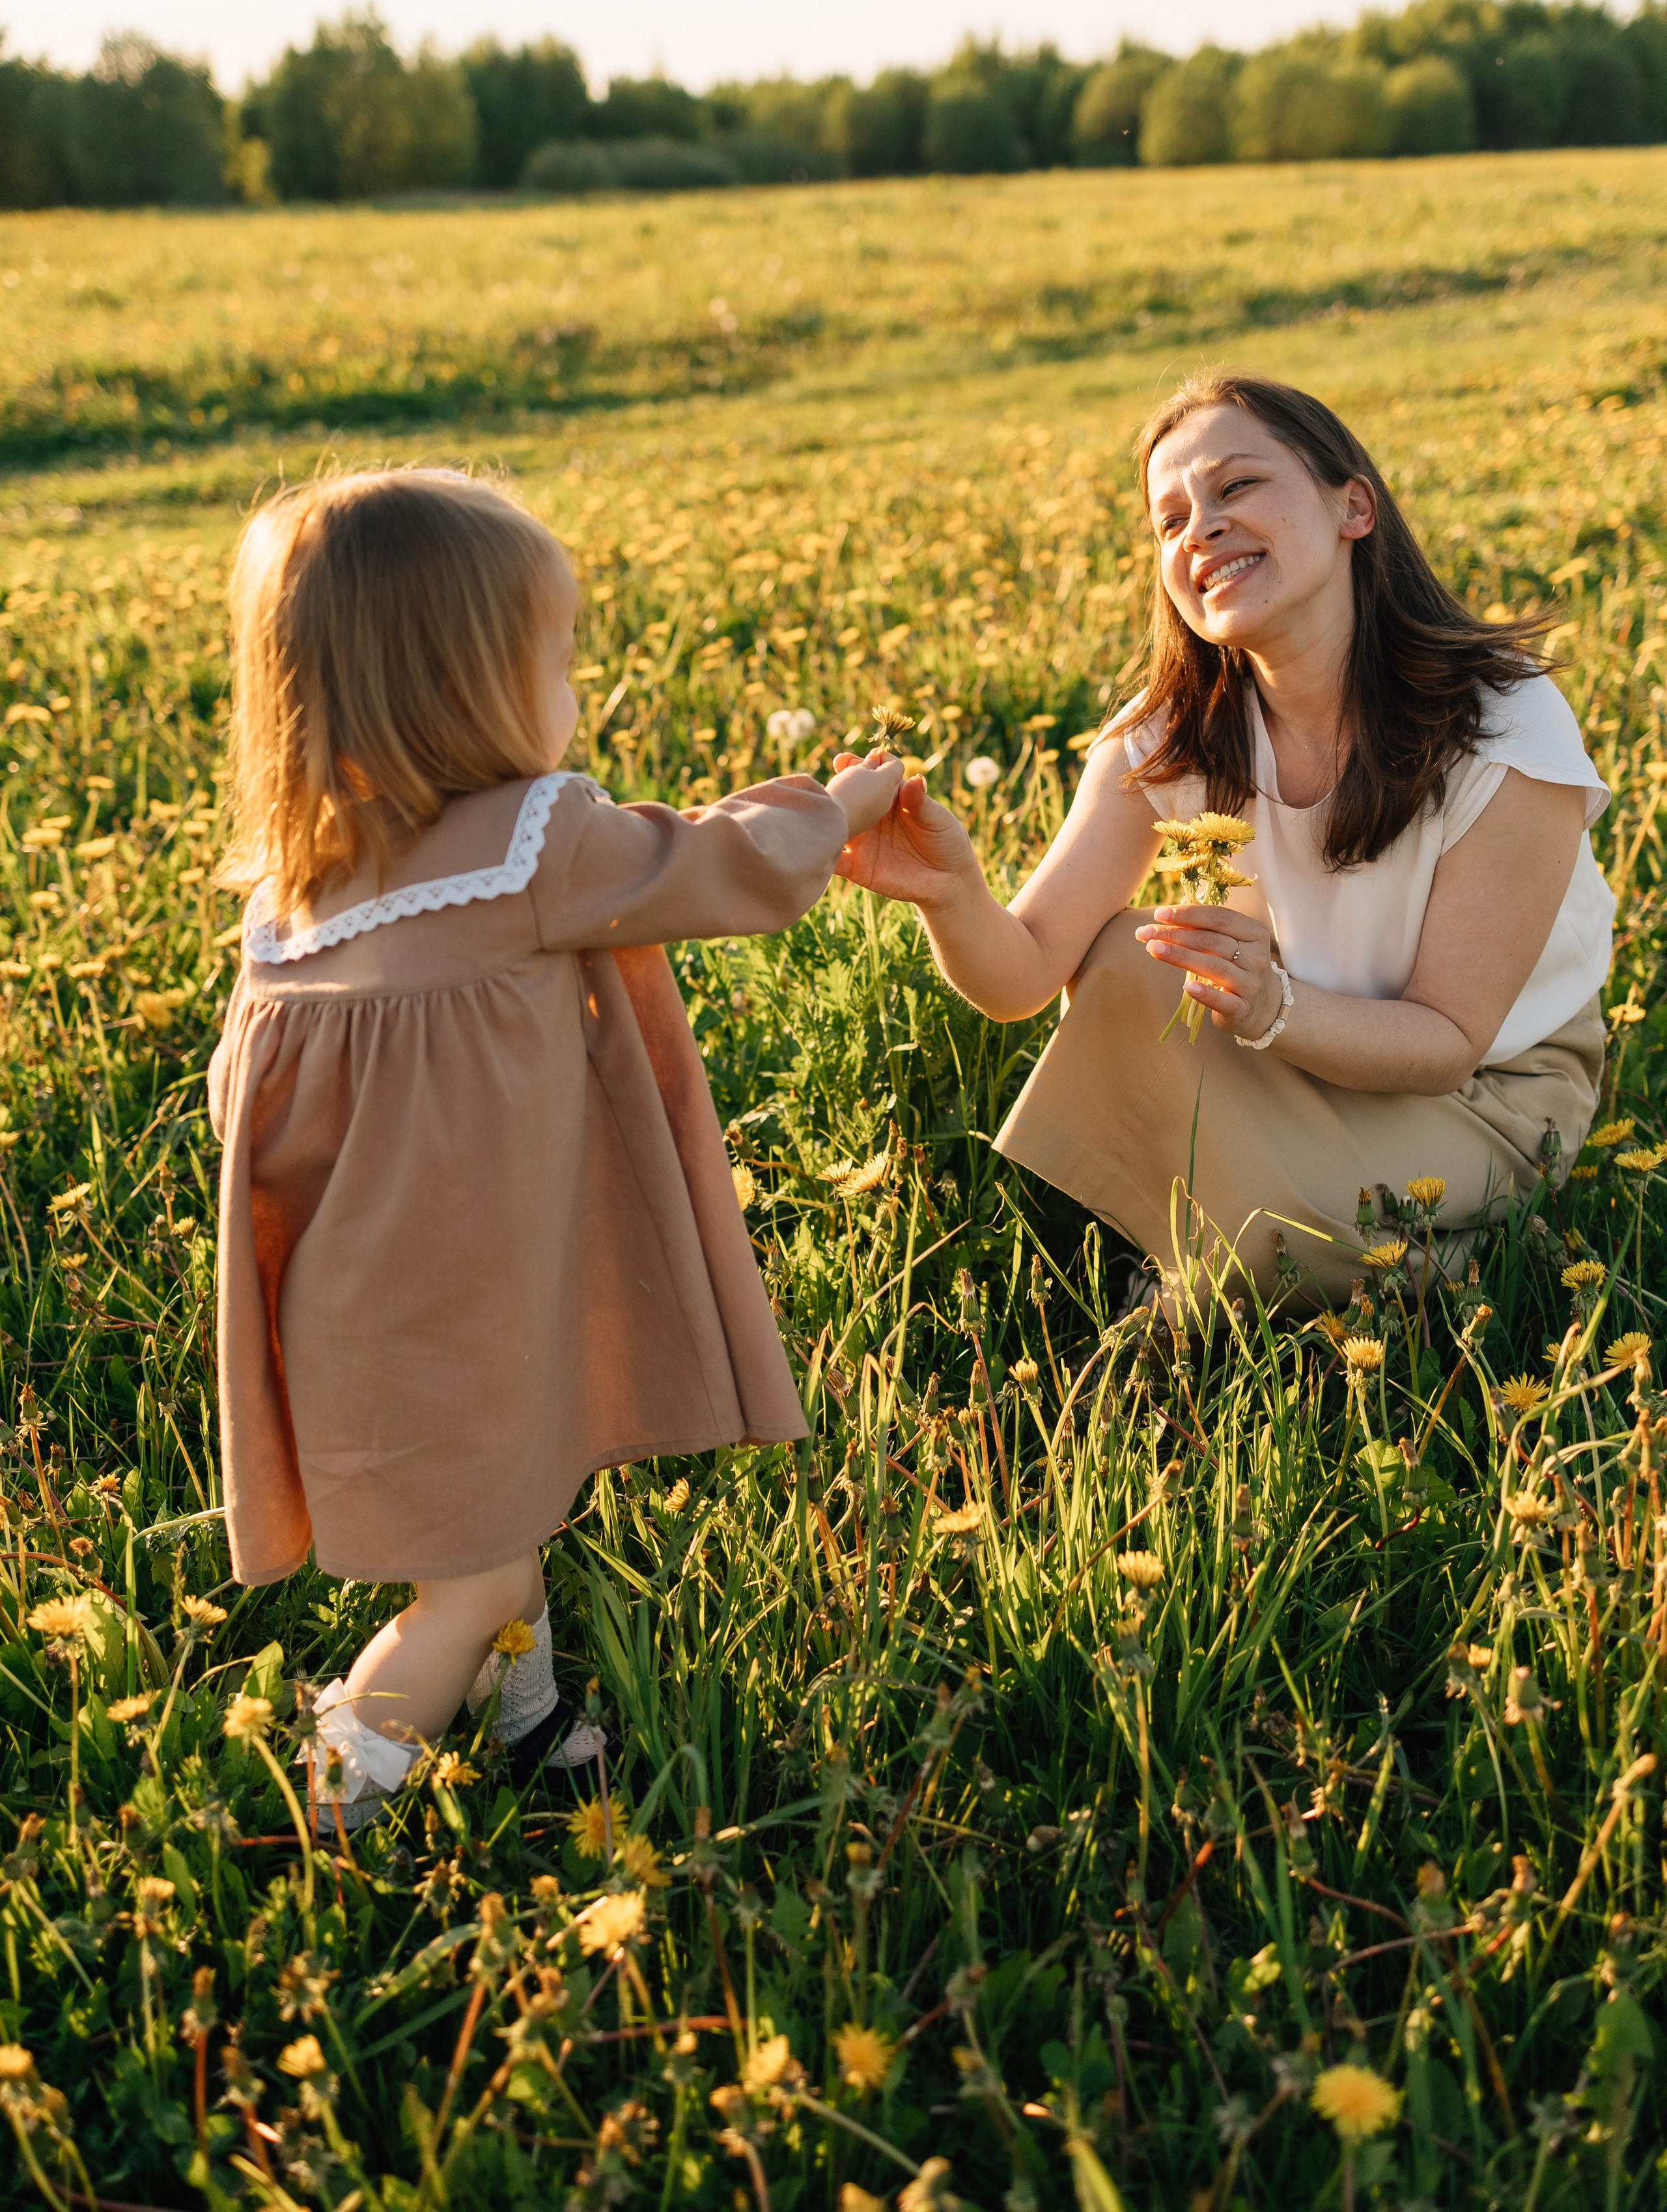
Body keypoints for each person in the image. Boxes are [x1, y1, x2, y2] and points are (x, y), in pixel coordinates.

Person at [209, 469, 901, 1823]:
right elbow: (720, 867)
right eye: (556, 656)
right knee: (466, 1581)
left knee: (503, 1516)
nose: (572, 685)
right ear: (470, 682)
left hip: (352, 1314)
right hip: (473, 1302)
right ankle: (340, 1796)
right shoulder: (532, 844)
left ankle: (529, 1728)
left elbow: (249, 1118)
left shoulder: (297, 902)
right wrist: (840, 803)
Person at [834, 372, 1614, 1301]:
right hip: (1293, 1058)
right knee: (1132, 959)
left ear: (1352, 507)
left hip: (1488, 1092)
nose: (1199, 528)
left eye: (1237, 487)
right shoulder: (1167, 737)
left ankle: (1377, 1265)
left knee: (1265, 1245)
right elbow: (1024, 973)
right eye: (1170, 520)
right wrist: (952, 893)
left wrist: (1272, 1006)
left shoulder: (1503, 725)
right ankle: (1307, 1257)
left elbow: (1448, 1036)